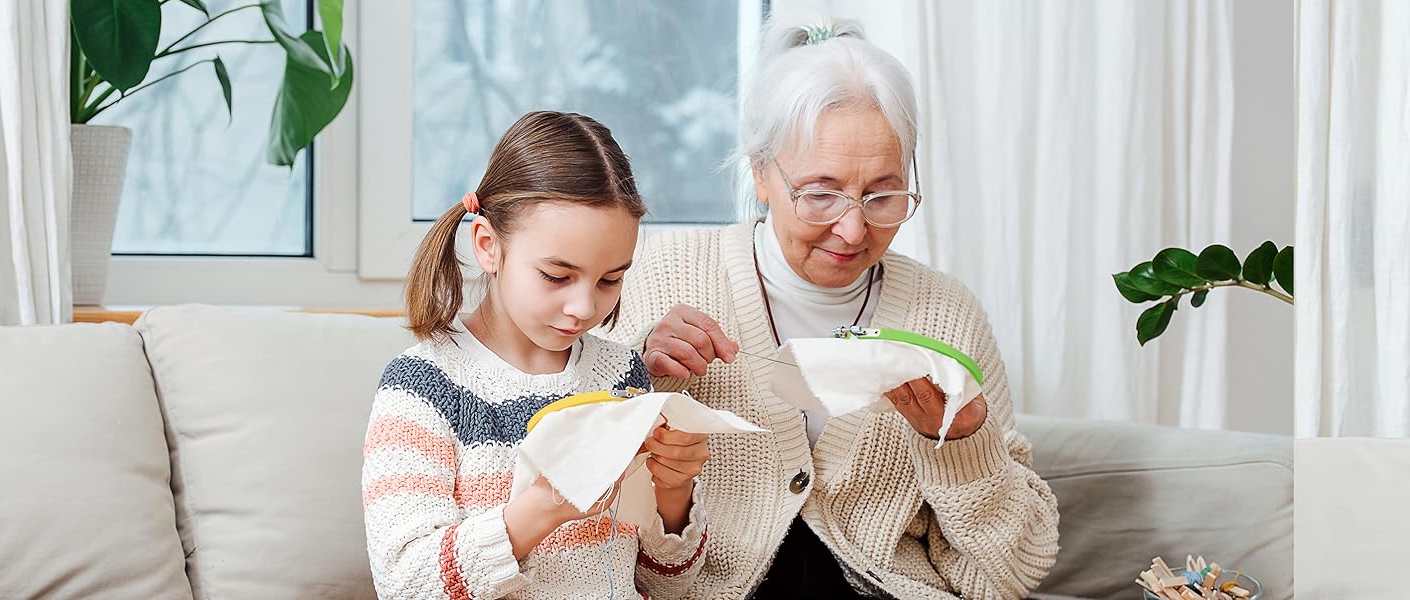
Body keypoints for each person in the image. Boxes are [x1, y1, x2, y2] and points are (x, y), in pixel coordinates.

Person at [605, 19, 1060, 599]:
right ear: (760, 172)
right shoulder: (658, 276)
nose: (852, 229)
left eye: (883, 194)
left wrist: (965, 446)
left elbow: (1006, 577)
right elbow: (581, 526)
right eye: (820, 194)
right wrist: (634, 374)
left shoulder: (946, 313)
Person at [362, 111, 711, 600]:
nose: (583, 307)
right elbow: (406, 584)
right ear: (488, 245)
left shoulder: (621, 375)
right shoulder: (423, 387)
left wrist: (674, 493)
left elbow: (666, 586)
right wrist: (545, 507)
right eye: (556, 275)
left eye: (610, 279)